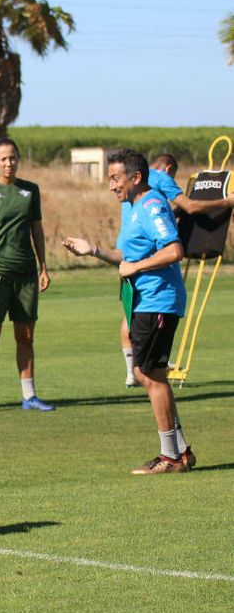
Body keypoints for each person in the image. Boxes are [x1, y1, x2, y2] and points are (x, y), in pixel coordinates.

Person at [63, 149, 192, 474]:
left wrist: (137, 266)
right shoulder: (131, 207)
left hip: (158, 300)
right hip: (142, 300)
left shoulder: (151, 205)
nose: (110, 186)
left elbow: (174, 249)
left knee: (148, 374)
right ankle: (181, 452)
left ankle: (171, 458)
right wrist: (92, 250)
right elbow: (127, 255)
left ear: (135, 178)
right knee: (149, 373)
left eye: (115, 178)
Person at [115, 154, 234, 386]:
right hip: (153, 269)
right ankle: (147, 368)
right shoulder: (160, 178)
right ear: (169, 168)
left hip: (128, 252)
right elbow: (189, 206)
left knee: (130, 313)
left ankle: (133, 371)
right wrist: (227, 202)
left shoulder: (132, 186)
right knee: (155, 373)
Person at [0, 138, 54, 415]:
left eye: (13, 158)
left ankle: (29, 395)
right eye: (3, 158)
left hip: (26, 274)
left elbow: (37, 231)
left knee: (26, 336)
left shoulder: (30, 191)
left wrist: (43, 266)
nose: (9, 163)